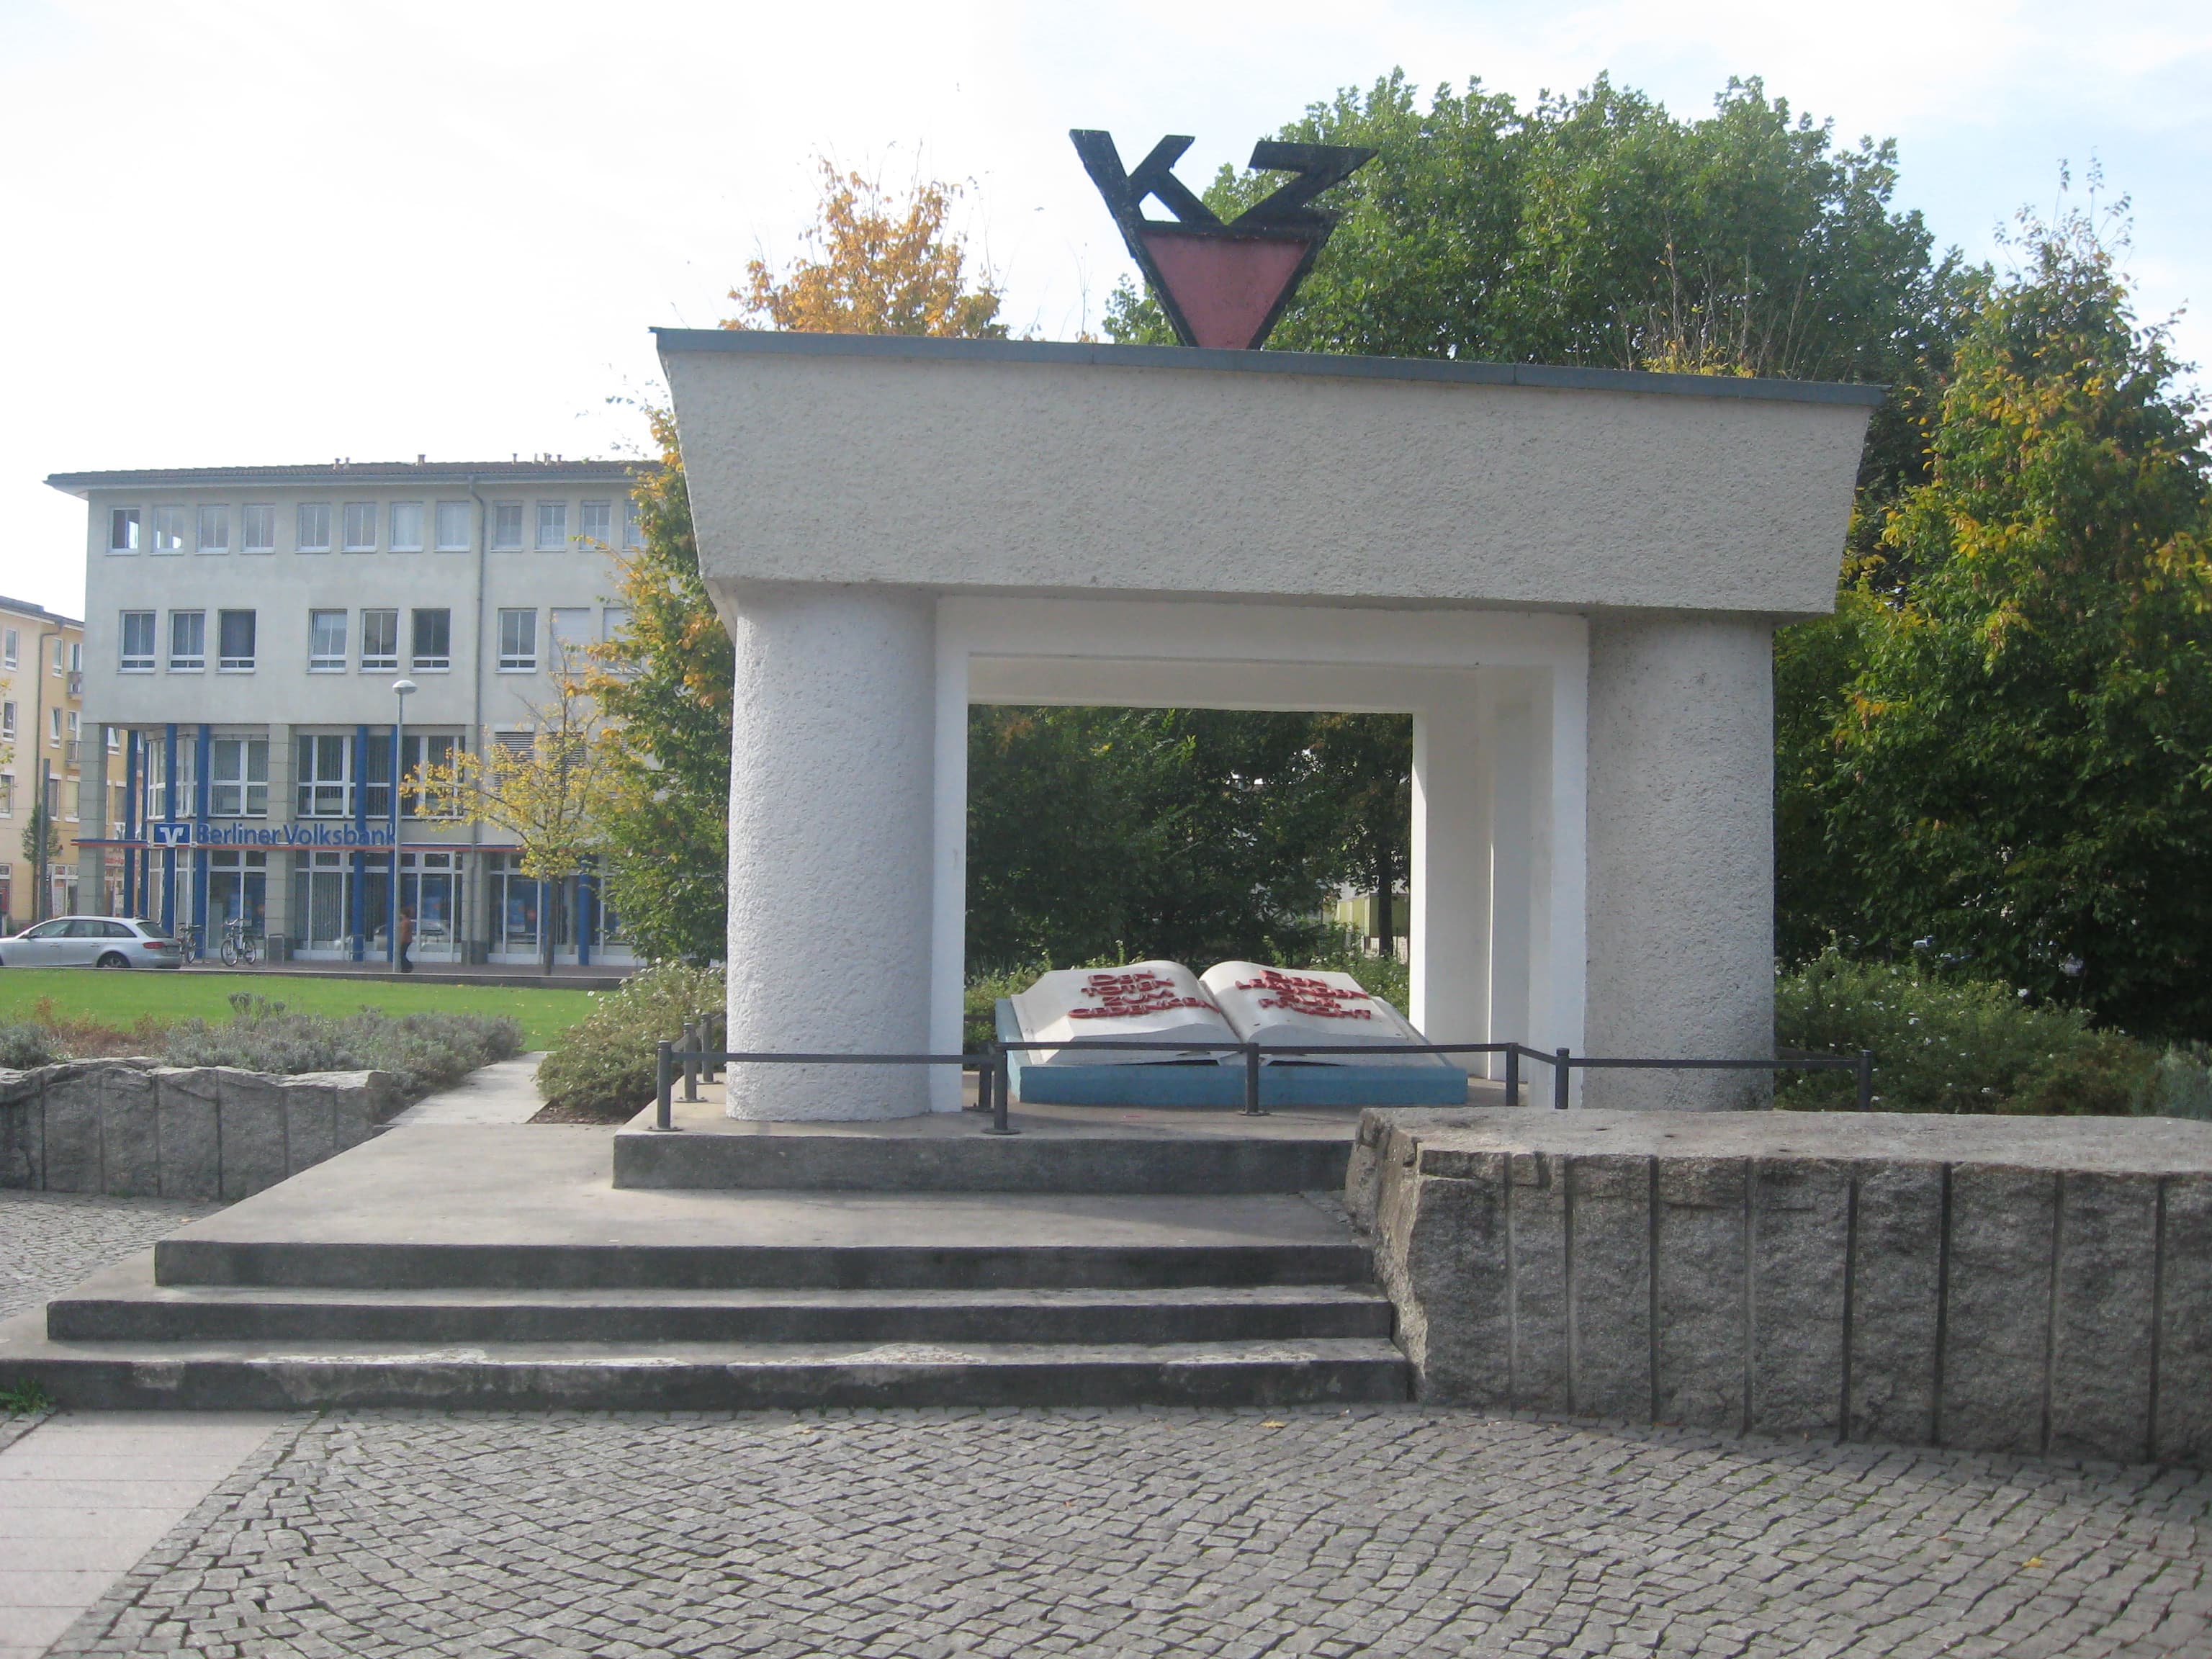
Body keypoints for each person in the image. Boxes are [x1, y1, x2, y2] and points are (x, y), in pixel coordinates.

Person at [398, 904, 415, 974]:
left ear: (404, 914)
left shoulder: (405, 922)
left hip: (405, 940)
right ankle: (404, 968)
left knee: (401, 955)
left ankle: (408, 966)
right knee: (402, 954)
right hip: (407, 940)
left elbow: (404, 932)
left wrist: (401, 940)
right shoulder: (408, 921)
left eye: (401, 914)